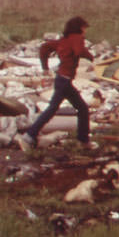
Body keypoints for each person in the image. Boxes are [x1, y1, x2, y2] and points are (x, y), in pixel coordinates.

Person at [17, 16, 96, 151]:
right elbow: (79, 51)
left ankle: (83, 141)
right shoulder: (77, 38)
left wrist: (45, 67)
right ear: (79, 28)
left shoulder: (63, 40)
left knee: (80, 108)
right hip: (64, 81)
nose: (85, 32)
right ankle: (28, 136)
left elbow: (44, 48)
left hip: (62, 80)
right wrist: (90, 57)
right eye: (84, 28)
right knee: (54, 109)